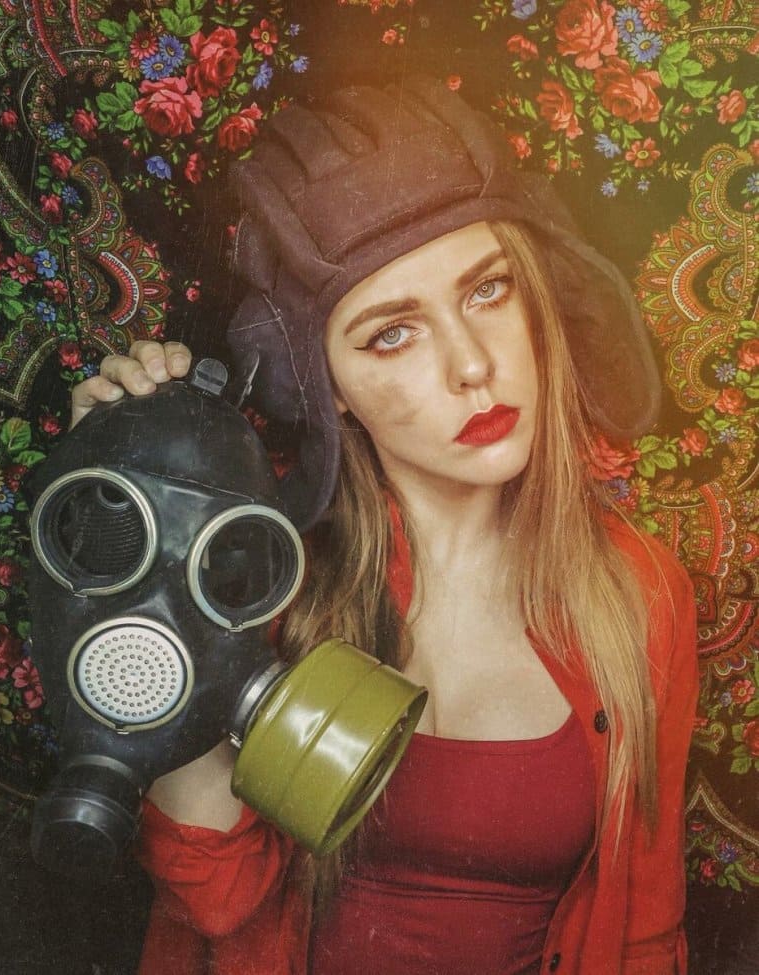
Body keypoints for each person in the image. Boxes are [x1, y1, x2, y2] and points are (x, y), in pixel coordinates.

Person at [71, 77, 698, 975]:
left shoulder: (639, 593)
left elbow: (643, 929)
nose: (472, 364)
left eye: (488, 290)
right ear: (323, 386)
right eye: (391, 334)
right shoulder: (270, 580)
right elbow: (214, 894)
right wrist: (142, 556)